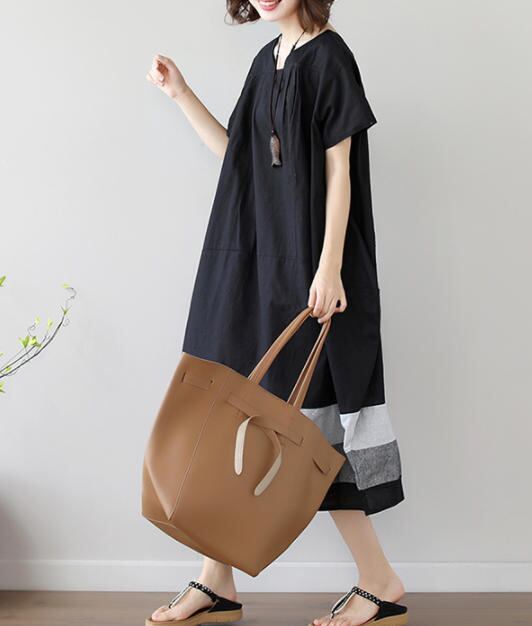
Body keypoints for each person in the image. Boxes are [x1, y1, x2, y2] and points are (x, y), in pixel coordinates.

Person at [145, 1, 407, 625]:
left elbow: (341, 171)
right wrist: (181, 95)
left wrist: (330, 266)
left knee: (316, 427)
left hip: (311, 271)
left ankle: (379, 579)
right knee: (231, 412)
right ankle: (217, 578)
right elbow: (238, 159)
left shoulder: (330, 56)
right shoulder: (267, 60)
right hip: (254, 268)